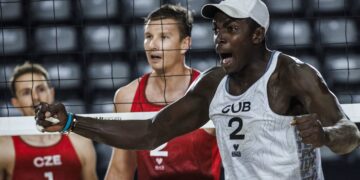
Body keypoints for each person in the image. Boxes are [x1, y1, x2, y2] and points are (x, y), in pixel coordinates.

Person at [35, 0, 360, 179]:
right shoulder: (213, 83)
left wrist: (327, 136)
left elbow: (349, 134)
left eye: (232, 28)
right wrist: (71, 123)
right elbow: (151, 131)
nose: (220, 36)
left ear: (258, 35)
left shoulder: (293, 75)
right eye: (217, 29)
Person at [105, 4, 221, 180]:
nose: (152, 45)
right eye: (148, 36)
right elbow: (120, 170)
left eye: (163, 37)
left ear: (185, 44)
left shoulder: (212, 93)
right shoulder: (126, 97)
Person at [0, 62, 98, 180]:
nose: (35, 97)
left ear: (51, 93)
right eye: (26, 92)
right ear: (16, 103)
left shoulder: (80, 141)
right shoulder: (4, 147)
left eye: (40, 89)